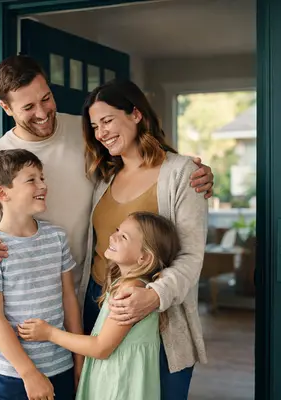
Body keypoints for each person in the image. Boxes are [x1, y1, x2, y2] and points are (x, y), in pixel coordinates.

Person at [0, 55, 215, 302]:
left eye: (46, 98)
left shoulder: (87, 131)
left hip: (89, 289)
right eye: (28, 107)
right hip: (33, 298)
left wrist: (189, 173)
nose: (43, 113)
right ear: (6, 107)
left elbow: (137, 157)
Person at [78, 78, 208, 400]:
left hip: (160, 313)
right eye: (95, 126)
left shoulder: (182, 173)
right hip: (99, 304)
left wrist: (153, 296)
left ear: (136, 114)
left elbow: (191, 256)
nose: (101, 132)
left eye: (108, 120)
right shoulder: (102, 178)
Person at [18, 212, 181, 400]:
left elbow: (100, 348)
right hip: (116, 378)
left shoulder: (130, 293)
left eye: (124, 236)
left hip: (119, 385)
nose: (113, 236)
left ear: (144, 258)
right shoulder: (124, 284)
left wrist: (49, 333)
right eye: (118, 230)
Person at [0, 149, 83, 400]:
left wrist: (79, 360)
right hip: (15, 375)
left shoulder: (56, 237)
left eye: (42, 177)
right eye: (31, 179)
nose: (43, 185)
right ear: (2, 193)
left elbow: (68, 298)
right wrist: (30, 374)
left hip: (62, 365)